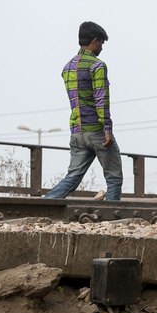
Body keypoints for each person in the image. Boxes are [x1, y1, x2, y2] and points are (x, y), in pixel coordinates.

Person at [44, 21, 123, 201]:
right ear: (95, 41)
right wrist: (107, 131)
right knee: (114, 177)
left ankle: (47, 204)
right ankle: (111, 217)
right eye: (101, 43)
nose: (101, 48)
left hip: (77, 132)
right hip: (96, 131)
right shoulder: (97, 66)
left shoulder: (67, 67)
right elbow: (101, 100)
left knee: (72, 177)